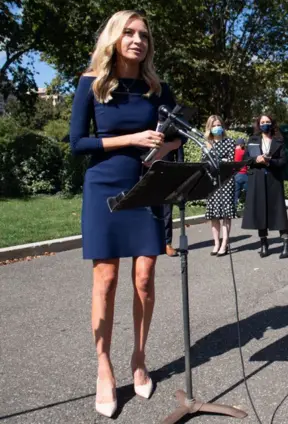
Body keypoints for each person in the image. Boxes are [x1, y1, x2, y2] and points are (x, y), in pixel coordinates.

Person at [68, 10, 183, 417]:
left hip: (144, 185)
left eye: (144, 35)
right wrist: (132, 137)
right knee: (107, 278)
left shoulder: (157, 88)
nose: (138, 40)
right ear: (115, 37)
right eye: (130, 33)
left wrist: (162, 150)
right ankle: (104, 366)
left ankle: (139, 356)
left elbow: (175, 141)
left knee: (146, 276)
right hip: (103, 184)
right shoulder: (92, 83)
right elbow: (77, 144)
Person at [242, 114, 288, 259]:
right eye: (262, 122)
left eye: (267, 122)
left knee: (279, 211)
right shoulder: (253, 140)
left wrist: (269, 162)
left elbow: (284, 161)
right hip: (257, 179)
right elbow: (246, 160)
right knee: (260, 211)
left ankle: (286, 243)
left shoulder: (279, 140)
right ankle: (264, 244)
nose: (265, 124)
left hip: (274, 179)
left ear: (272, 123)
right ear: (258, 124)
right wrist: (256, 159)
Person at [203, 115, 235, 256]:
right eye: (214, 125)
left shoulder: (229, 142)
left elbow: (230, 160)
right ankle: (216, 243)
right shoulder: (206, 144)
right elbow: (203, 163)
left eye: (219, 125)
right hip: (212, 182)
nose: (217, 128)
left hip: (226, 181)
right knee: (214, 215)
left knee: (225, 214)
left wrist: (221, 162)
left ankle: (225, 243)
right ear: (209, 128)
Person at [163, 145, 184, 257]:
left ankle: (167, 243)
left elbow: (180, 159)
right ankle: (154, 242)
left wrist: (178, 177)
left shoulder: (173, 134)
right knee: (149, 212)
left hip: (168, 177)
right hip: (148, 174)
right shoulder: (147, 129)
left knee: (167, 212)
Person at [233, 138, 248, 213]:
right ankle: (249, 208)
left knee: (235, 194)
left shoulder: (233, 152)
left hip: (236, 175)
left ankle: (233, 210)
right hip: (244, 174)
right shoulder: (243, 152)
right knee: (250, 192)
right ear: (242, 144)